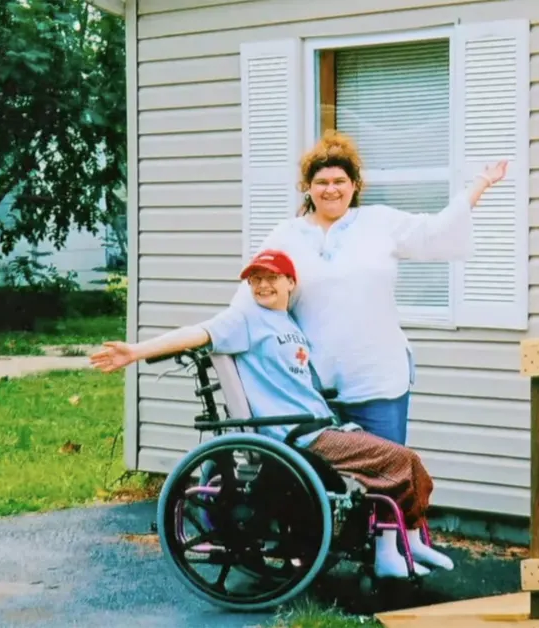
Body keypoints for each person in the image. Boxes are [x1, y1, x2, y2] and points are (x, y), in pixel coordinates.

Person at [90, 249, 454, 580]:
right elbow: (196, 333)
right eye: (256, 280)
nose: (263, 286)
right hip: (299, 437)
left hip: (321, 426)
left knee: (409, 465)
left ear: (290, 284)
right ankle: (389, 554)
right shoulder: (244, 319)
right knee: (398, 459)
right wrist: (134, 351)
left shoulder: (290, 325)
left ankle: (408, 539)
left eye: (272, 278)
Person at [230, 130, 509, 446]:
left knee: (387, 479)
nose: (331, 189)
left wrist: (480, 184)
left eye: (340, 181)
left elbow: (436, 231)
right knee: (324, 488)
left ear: (354, 185)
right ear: (307, 188)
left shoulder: (379, 222)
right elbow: (249, 297)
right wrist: (211, 337)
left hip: (378, 381)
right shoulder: (287, 235)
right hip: (314, 386)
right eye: (322, 182)